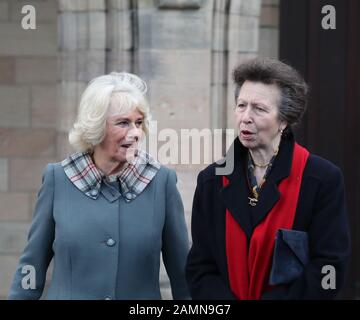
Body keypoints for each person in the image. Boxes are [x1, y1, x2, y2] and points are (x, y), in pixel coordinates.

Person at [8, 72, 190, 300]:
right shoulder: (58, 179)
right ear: (96, 127)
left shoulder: (161, 182)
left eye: (139, 123)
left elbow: (184, 274)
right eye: (123, 123)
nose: (134, 132)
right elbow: (32, 266)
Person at [185, 58, 351, 299]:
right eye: (241, 106)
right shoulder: (211, 180)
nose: (246, 117)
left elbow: (329, 266)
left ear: (284, 120)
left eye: (259, 109)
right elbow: (200, 267)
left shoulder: (321, 179)